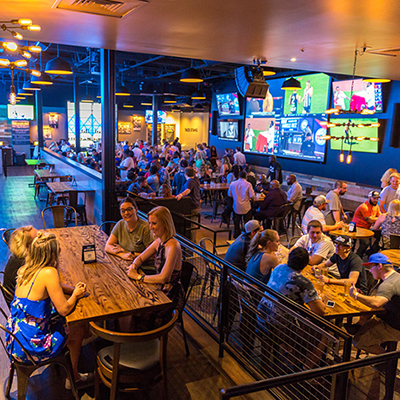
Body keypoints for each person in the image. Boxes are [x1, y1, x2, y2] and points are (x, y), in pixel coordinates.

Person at [6, 232, 88, 383]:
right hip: (30, 348)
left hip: (14, 340)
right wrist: (75, 295)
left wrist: (72, 289)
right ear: (52, 254)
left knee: (67, 323)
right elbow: (64, 309)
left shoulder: (25, 269)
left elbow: (54, 287)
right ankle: (74, 377)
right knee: (79, 328)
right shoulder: (49, 272)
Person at [127, 206, 185, 329]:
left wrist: (138, 276)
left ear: (165, 224)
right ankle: (131, 339)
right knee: (129, 300)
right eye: (149, 223)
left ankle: (138, 340)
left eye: (154, 223)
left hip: (169, 296)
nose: (150, 227)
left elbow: (164, 278)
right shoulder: (159, 241)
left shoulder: (173, 245)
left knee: (134, 307)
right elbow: (141, 258)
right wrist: (134, 266)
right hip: (159, 289)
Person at [351, 253, 400, 354]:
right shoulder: (396, 277)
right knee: (366, 322)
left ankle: (386, 363)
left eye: (371, 267)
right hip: (392, 318)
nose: (369, 271)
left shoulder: (388, 284)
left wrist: (356, 295)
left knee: (358, 341)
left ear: (379, 266)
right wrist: (364, 297)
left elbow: (377, 303)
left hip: (395, 327)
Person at [259, 247, 325, 317]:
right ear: (305, 264)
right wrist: (320, 298)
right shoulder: (303, 283)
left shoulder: (279, 267)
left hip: (261, 316)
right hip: (280, 325)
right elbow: (320, 312)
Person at [3, 226, 38, 308]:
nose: (42, 238)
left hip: (21, 298)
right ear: (28, 246)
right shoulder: (25, 264)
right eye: (38, 238)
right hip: (22, 308)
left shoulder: (20, 255)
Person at [352, 190, 381, 258]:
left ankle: (371, 251)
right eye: (374, 198)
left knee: (382, 235)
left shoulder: (376, 206)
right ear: (369, 198)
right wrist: (380, 219)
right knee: (366, 243)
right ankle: (357, 257)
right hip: (358, 227)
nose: (376, 200)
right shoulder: (364, 207)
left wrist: (380, 218)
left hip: (367, 228)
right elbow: (370, 220)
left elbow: (379, 216)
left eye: (377, 198)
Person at [228, 170, 255, 238]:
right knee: (247, 221)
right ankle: (247, 234)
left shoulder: (233, 184)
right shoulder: (248, 184)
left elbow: (229, 194)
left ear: (239, 176)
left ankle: (236, 233)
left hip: (236, 206)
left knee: (236, 221)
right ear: (246, 177)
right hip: (246, 206)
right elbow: (252, 196)